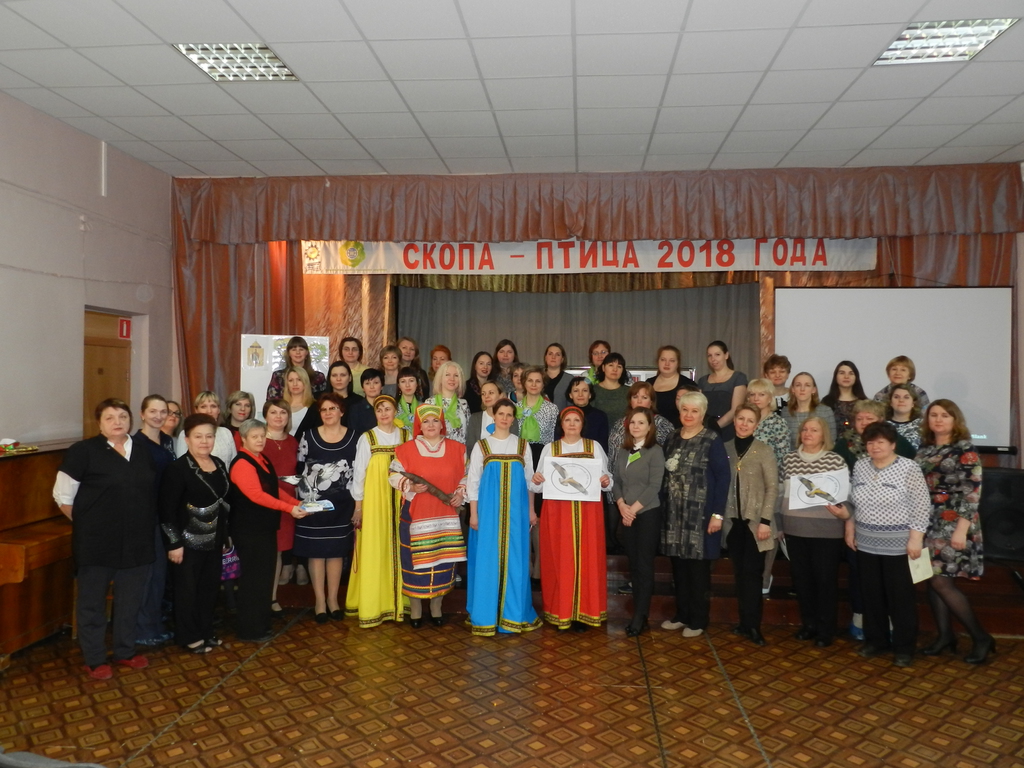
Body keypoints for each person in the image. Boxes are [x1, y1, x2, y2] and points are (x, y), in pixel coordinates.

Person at [54, 398, 157, 679]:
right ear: (99, 423)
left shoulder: (143, 450)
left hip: (137, 541)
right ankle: (95, 658)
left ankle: (125, 651)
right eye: (109, 417)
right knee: (92, 602)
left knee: (130, 601)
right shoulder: (83, 451)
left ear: (131, 420)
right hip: (96, 543)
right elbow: (63, 497)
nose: (117, 422)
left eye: (122, 416)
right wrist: (91, 524)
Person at [832, 422, 931, 667]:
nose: (875, 447)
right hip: (866, 543)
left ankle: (904, 647)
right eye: (870, 442)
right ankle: (876, 641)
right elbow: (853, 502)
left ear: (892, 444)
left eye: (880, 442)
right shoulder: (861, 465)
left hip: (899, 546)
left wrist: (915, 539)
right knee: (871, 595)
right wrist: (849, 527)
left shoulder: (908, 468)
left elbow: (921, 506)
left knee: (900, 598)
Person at [916, 399, 993, 664]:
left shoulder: (964, 449)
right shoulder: (925, 447)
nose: (938, 419)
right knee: (932, 577)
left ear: (955, 419)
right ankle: (945, 636)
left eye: (945, 415)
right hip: (927, 519)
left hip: (954, 519)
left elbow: (973, 492)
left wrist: (961, 529)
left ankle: (981, 637)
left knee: (941, 581)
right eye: (934, 415)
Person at [530, 406, 612, 631]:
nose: (572, 424)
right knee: (560, 559)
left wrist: (606, 481)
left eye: (577, 420)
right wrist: (537, 480)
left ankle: (584, 612)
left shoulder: (593, 447)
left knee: (587, 558)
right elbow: (537, 485)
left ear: (582, 424)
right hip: (558, 512)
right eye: (568, 420)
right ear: (562, 424)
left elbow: (607, 479)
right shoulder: (551, 448)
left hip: (588, 512)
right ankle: (562, 611)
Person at [466, 399, 541, 636]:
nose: (505, 418)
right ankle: (487, 615)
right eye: (501, 414)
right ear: (494, 416)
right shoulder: (482, 446)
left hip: (517, 514)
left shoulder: (522, 445)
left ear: (513, 418)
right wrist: (474, 514)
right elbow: (473, 482)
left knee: (516, 562)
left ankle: (513, 614)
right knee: (488, 561)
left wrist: (531, 510)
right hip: (488, 513)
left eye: (509, 414)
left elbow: (529, 482)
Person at [389, 404, 468, 627]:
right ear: (419, 425)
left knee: (443, 561)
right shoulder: (405, 449)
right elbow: (393, 475)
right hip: (415, 516)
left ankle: (436, 607)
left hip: (445, 517)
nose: (431, 425)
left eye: (435, 420)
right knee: (415, 562)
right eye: (426, 421)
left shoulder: (457, 449)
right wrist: (411, 487)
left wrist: (460, 494)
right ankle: (415, 609)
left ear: (442, 424)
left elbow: (467, 475)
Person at [229, 419, 307, 642]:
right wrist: (289, 508)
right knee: (253, 581)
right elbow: (257, 495)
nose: (260, 440)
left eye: (262, 436)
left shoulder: (262, 459)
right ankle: (250, 630)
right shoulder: (242, 463)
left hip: (264, 529)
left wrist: (296, 503)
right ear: (243, 439)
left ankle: (261, 625)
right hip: (249, 531)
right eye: (254, 436)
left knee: (263, 579)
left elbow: (273, 489)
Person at [660, 391, 729, 639]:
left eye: (694, 411)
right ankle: (682, 615)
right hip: (674, 515)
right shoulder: (671, 437)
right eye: (685, 410)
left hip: (701, 515)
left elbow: (723, 477)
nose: (689, 415)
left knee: (697, 571)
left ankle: (699, 619)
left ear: (703, 414)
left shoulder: (712, 439)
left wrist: (717, 515)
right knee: (679, 568)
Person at [160, 414, 230, 653]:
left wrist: (225, 536)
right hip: (186, 543)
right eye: (198, 436)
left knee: (209, 589)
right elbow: (166, 511)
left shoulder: (219, 464)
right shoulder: (177, 469)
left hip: (215, 539)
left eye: (209, 436)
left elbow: (224, 503)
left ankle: (206, 631)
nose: (204, 441)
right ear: (187, 439)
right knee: (187, 591)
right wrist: (174, 544)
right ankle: (189, 636)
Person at [778, 417, 847, 647]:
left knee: (825, 581)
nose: (808, 433)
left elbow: (845, 496)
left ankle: (826, 630)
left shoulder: (835, 460)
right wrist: (779, 524)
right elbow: (780, 493)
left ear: (823, 434)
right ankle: (809, 625)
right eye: (805, 429)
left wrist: (844, 513)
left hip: (826, 532)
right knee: (802, 581)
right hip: (795, 530)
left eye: (814, 430)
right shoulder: (789, 459)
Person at [346, 395, 410, 628]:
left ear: (395, 411)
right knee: (376, 548)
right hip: (375, 503)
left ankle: (400, 602)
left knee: (400, 548)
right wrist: (359, 507)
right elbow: (359, 474)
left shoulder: (406, 436)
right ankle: (375, 604)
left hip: (401, 501)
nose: (384, 413)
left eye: (388, 409)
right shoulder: (368, 438)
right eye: (379, 409)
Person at [295, 393, 358, 623]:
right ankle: (320, 602)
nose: (328, 413)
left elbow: (359, 472)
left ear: (342, 411)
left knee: (335, 552)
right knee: (316, 552)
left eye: (333, 408)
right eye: (324, 409)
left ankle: (333, 600)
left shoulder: (355, 437)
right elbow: (299, 468)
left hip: (343, 505)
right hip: (314, 505)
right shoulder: (308, 436)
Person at [723, 404, 778, 647]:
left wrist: (765, 520)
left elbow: (772, 487)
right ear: (734, 420)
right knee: (739, 574)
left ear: (756, 425)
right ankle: (743, 623)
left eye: (749, 420)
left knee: (753, 576)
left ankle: (754, 626)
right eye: (741, 419)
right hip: (733, 523)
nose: (744, 424)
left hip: (756, 525)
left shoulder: (764, 450)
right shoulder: (725, 448)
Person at [612, 407, 665, 637]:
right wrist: (621, 505)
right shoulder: (623, 450)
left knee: (644, 566)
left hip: (647, 514)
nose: (636, 426)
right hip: (627, 513)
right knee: (633, 565)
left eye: (641, 422)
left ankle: (640, 616)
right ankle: (639, 613)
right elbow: (616, 481)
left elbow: (655, 486)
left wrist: (632, 510)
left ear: (649, 426)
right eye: (632, 422)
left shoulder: (655, 451)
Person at [134, 395, 177, 648]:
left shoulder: (167, 441)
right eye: (153, 411)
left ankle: (154, 623)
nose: (159, 416)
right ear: (142, 414)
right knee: (147, 574)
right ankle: (142, 629)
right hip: (145, 517)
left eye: (163, 412)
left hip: (165, 515)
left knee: (160, 573)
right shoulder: (135, 444)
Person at [262, 399, 300, 611]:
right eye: (273, 412)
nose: (278, 416)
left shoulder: (293, 442)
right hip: (263, 503)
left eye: (283, 412)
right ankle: (260, 598)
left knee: (277, 552)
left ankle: (272, 597)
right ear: (265, 416)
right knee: (264, 552)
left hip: (288, 506)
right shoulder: (258, 440)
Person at [296, 361, 368, 440]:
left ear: (350, 378)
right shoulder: (318, 400)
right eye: (334, 375)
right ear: (329, 378)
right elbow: (302, 432)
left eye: (343, 375)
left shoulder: (359, 402)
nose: (338, 379)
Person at [699, 341, 748, 442]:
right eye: (709, 355)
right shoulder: (702, 381)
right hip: (704, 432)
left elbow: (735, 410)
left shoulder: (738, 378)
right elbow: (698, 409)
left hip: (728, 433)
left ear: (726, 355)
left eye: (717, 354)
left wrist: (713, 428)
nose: (713, 359)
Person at [175, 391, 236, 466]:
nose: (209, 411)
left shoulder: (226, 432)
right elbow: (182, 464)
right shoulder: (185, 433)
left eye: (213, 406)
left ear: (218, 410)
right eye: (203, 407)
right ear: (196, 410)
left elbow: (234, 463)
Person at [517, 366, 560, 467]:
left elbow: (555, 437)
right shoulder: (515, 409)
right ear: (524, 383)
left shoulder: (552, 409)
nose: (534, 384)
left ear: (543, 384)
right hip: (519, 456)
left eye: (538, 381)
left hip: (544, 458)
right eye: (530, 380)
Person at [647, 345, 698, 428]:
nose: (667, 364)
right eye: (663, 360)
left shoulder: (688, 384)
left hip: (679, 431)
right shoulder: (649, 383)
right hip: (652, 431)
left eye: (672, 360)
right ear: (658, 361)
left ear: (678, 363)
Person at [782, 372, 836, 450]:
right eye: (798, 385)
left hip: (820, 456)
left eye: (807, 385)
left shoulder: (825, 411)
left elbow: (831, 440)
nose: (802, 389)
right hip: (793, 456)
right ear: (793, 389)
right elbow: (784, 442)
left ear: (813, 390)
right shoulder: (785, 412)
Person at [556, 377, 610, 451]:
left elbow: (603, 447)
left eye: (585, 390)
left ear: (590, 394)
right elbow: (557, 442)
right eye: (576, 391)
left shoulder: (600, 417)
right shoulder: (563, 415)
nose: (580, 394)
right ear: (570, 395)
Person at [745, 378, 791, 466]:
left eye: (761, 394)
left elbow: (783, 457)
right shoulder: (744, 421)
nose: (756, 398)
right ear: (748, 398)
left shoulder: (778, 423)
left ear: (770, 398)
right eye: (752, 394)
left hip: (769, 471)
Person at [267, 336, 327, 401]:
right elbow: (271, 403)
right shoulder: (278, 376)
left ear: (306, 353)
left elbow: (324, 402)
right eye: (294, 349)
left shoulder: (318, 377)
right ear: (289, 353)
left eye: (301, 349)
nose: (298, 352)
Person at [820, 361, 867, 435]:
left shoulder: (864, 402)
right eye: (842, 373)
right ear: (835, 377)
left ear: (856, 377)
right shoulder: (827, 402)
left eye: (851, 373)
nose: (846, 377)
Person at [430, 361, 471, 444]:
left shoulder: (463, 404)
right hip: (436, 450)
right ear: (440, 378)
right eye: (447, 375)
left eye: (456, 375)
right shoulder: (430, 403)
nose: (452, 379)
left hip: (459, 450)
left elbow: (468, 433)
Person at [592, 352, 630, 425]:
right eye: (611, 365)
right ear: (603, 368)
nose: (615, 369)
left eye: (619, 366)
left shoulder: (629, 391)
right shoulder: (593, 390)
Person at [282, 366, 316, 440]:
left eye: (299, 380)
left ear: (305, 382)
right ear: (287, 384)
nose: (295, 384)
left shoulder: (315, 407)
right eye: (291, 380)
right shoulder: (280, 406)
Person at [348, 368, 383, 437]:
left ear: (382, 386)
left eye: (376, 383)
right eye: (367, 383)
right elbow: (353, 434)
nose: (372, 387)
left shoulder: (389, 406)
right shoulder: (355, 409)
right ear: (362, 387)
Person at [887, 385, 923, 450]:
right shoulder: (882, 425)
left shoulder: (923, 425)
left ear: (913, 403)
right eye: (896, 397)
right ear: (890, 402)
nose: (901, 400)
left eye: (906, 397)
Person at [542, 343, 573, 411]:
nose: (553, 357)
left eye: (557, 354)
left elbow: (572, 406)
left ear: (562, 359)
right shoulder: (537, 378)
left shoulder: (570, 380)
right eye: (550, 354)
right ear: (546, 357)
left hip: (563, 417)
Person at [394, 366, 424, 431]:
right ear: (399, 385)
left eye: (411, 381)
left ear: (417, 383)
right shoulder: (393, 407)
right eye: (403, 381)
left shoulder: (424, 407)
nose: (407, 385)